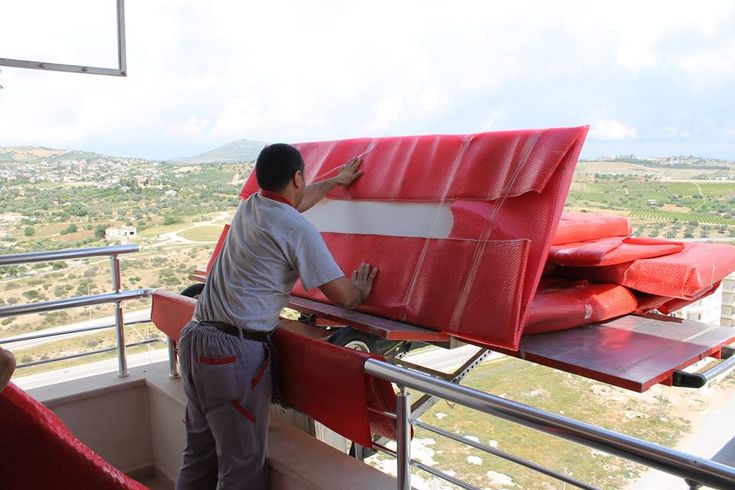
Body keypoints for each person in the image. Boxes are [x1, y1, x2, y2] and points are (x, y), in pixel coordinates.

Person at [176, 143, 378, 490]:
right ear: (297, 177)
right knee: (241, 467)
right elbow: (344, 297)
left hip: (195, 340)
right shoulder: (297, 229)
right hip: (231, 354)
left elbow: (294, 202)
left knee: (199, 455)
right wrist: (359, 290)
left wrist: (334, 181)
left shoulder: (250, 207)